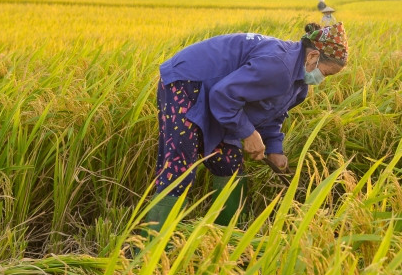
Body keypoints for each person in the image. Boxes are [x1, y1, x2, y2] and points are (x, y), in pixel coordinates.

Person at [145, 22, 349, 233]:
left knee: (229, 163)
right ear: (313, 57)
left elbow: (272, 112)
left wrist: (274, 149)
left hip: (217, 90)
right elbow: (222, 96)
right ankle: (152, 245)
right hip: (187, 81)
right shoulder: (279, 65)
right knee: (180, 166)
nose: (322, 79)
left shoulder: (298, 85)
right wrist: (248, 133)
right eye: (326, 73)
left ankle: (226, 237)